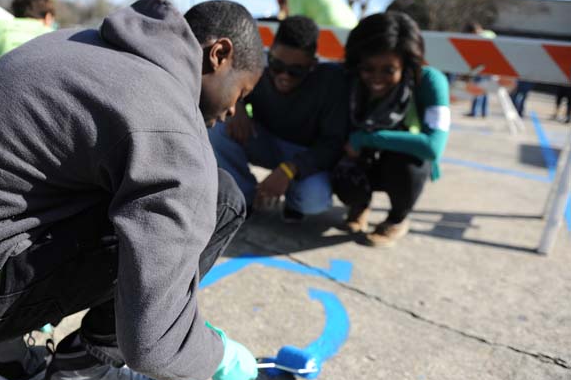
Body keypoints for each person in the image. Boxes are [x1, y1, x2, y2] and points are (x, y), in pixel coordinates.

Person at [0, 0, 264, 380]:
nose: (236, 109)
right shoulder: (171, 127)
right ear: (219, 54)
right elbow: (155, 344)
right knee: (222, 198)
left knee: (104, 183)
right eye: (243, 90)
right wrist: (214, 353)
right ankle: (83, 371)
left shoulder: (81, 43)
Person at [208, 15, 347, 222]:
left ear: (313, 64)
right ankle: (243, 198)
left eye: (296, 71)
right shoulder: (255, 65)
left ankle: (293, 201)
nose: (284, 76)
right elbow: (228, 85)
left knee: (313, 200)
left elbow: (333, 144)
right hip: (265, 141)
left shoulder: (332, 82)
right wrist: (237, 105)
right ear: (269, 54)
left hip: (305, 153)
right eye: (276, 65)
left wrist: (290, 169)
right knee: (219, 127)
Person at [333, 12, 450, 247]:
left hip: (400, 165)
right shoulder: (348, 80)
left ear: (406, 65)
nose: (376, 78)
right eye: (368, 69)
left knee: (411, 162)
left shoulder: (430, 81)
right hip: (363, 159)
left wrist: (366, 138)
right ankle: (359, 204)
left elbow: (432, 146)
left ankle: (397, 218)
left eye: (388, 70)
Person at [277, 0, 357, 28]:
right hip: (352, 23)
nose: (286, 13)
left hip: (330, 23)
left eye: (282, 9)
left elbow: (297, 24)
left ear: (284, 1)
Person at [463, 21, 495, 118]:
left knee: (478, 88)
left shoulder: (481, 37)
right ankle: (484, 112)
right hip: (488, 66)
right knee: (484, 90)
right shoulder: (489, 34)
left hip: (481, 67)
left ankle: (475, 111)